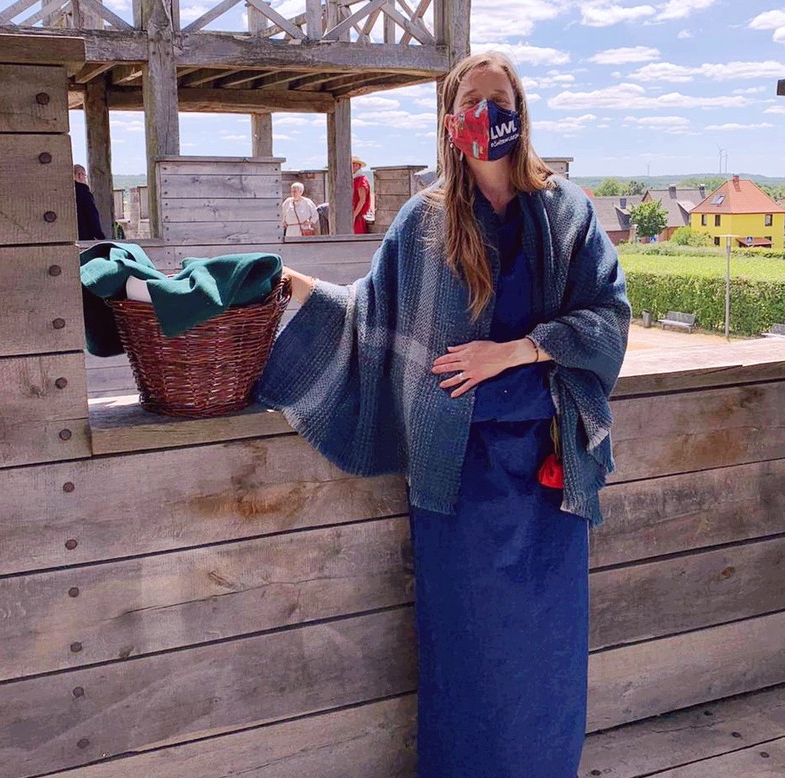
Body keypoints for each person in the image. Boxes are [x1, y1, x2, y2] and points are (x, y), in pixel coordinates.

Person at [256, 51, 630, 778]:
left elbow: (610, 320)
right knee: (467, 659)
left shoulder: (567, 210)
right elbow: (375, 317)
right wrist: (300, 288)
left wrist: (517, 350)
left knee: (542, 659)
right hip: (455, 482)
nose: (484, 113)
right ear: (450, 121)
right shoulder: (424, 221)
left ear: (519, 110)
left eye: (498, 98)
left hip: (551, 477)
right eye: (469, 101)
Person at [73, 164, 106, 241]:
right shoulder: (83, 192)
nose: (85, 178)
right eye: (85, 175)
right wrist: (100, 235)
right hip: (84, 236)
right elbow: (91, 214)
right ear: (79, 175)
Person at [352, 155, 372, 234]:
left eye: (354, 164)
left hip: (358, 216)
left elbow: (362, 200)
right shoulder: (354, 179)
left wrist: (354, 215)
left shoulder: (361, 180)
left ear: (358, 166)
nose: (352, 166)